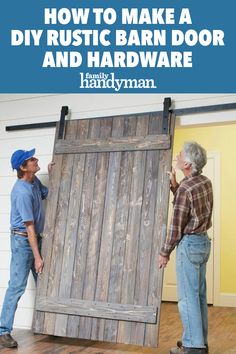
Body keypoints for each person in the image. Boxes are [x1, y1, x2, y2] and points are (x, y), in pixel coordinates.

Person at [159, 142, 213, 354]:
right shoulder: (204, 182)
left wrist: (164, 252)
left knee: (187, 298)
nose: (178, 156)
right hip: (203, 243)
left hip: (189, 245)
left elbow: (176, 226)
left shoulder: (186, 189)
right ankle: (200, 341)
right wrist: (174, 185)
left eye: (181, 154)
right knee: (198, 296)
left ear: (188, 164)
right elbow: (189, 208)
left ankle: (192, 346)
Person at [0, 149, 54, 348]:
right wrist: (38, 257)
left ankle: (49, 325)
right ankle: (3, 331)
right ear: (23, 168)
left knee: (46, 282)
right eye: (31, 159)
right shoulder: (21, 191)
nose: (36, 159)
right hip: (23, 242)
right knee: (17, 286)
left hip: (34, 239)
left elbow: (48, 194)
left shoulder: (34, 182)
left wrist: (53, 174)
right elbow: (29, 228)